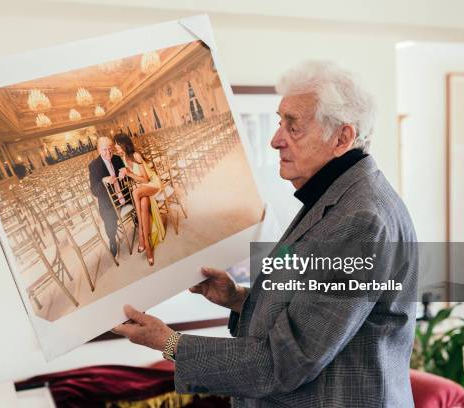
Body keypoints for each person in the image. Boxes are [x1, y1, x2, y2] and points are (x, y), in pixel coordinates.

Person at [112, 61, 418, 407]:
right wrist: (239, 298)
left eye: (294, 127)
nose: (275, 140)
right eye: (279, 122)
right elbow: (312, 311)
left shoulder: (361, 219)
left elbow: (287, 360)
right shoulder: (340, 194)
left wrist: (168, 342)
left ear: (342, 138)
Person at [114, 133, 164, 266]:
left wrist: (129, 173)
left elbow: (146, 179)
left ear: (123, 144)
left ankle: (141, 235)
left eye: (117, 144)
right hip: (143, 188)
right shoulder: (123, 158)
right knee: (142, 202)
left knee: (136, 192)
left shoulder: (136, 155)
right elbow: (133, 179)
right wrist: (124, 174)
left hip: (152, 184)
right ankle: (147, 245)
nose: (115, 146)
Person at [88, 136, 127, 257]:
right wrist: (104, 181)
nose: (108, 152)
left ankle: (136, 219)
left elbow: (127, 175)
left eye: (110, 149)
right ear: (99, 150)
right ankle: (112, 239)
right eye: (105, 149)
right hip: (109, 203)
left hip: (124, 194)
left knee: (137, 197)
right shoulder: (94, 166)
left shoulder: (117, 158)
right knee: (109, 221)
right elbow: (94, 190)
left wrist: (125, 171)